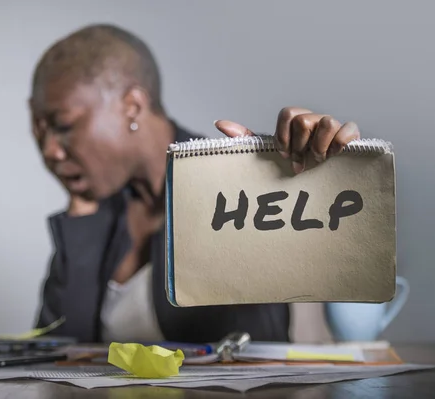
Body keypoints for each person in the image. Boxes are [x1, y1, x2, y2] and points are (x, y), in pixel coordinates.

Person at [29, 24, 361, 344]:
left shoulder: (232, 182)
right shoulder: (98, 211)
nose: (50, 150)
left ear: (132, 106)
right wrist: (81, 220)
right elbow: (58, 353)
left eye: (63, 125)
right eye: (40, 130)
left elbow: (258, 339)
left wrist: (306, 174)